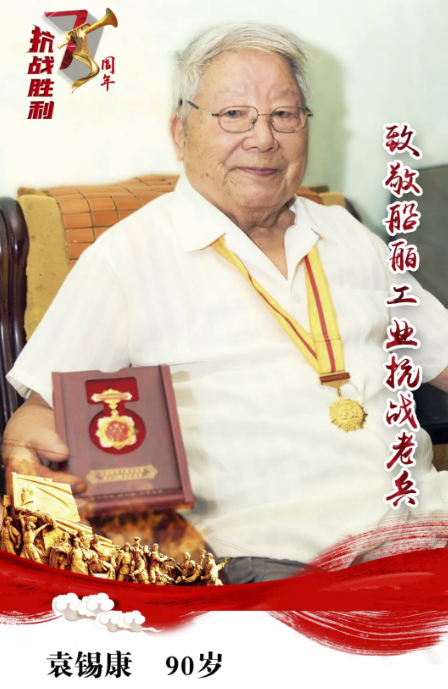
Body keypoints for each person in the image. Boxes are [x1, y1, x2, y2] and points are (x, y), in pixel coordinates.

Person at [3, 23, 448, 584]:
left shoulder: (348, 234)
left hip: (426, 527)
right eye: (234, 114)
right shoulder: (127, 257)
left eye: (284, 114)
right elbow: (41, 413)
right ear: (180, 131)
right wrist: (25, 452)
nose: (263, 138)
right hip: (276, 566)